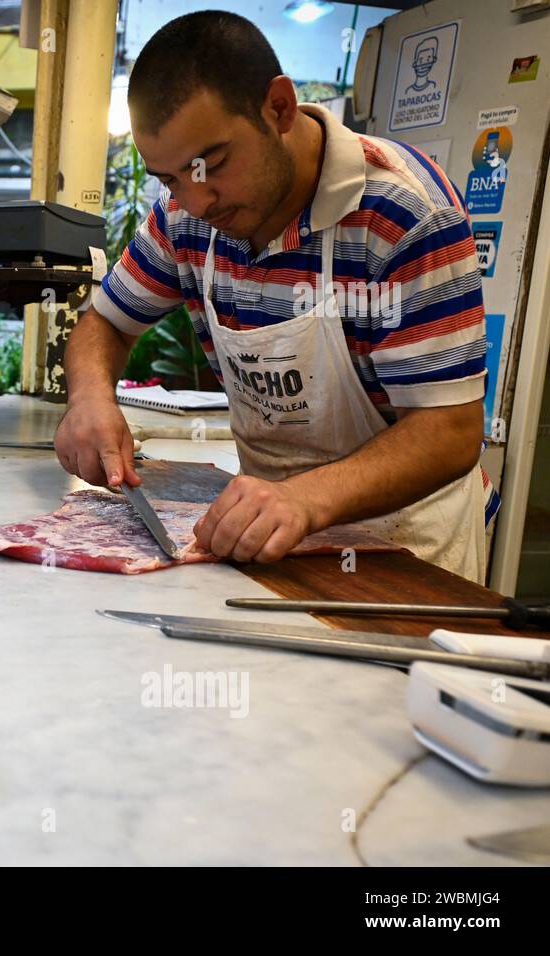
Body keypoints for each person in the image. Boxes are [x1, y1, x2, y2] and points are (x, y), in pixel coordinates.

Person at [55, 11, 492, 581]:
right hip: (265, 539)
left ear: (278, 108)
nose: (197, 200)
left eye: (211, 164)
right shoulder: (184, 220)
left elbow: (449, 433)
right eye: (169, 179)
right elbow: (106, 324)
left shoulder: (404, 215)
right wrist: (90, 398)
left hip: (408, 550)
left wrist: (307, 499)